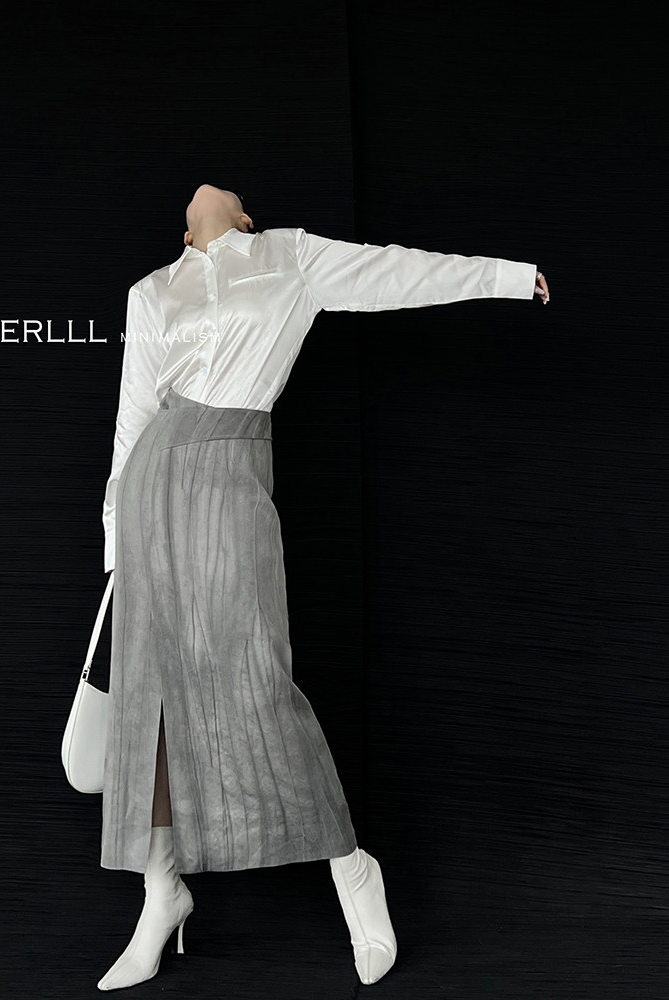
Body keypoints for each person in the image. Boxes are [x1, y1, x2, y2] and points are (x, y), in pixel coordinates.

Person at [95, 184, 550, 992]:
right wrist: (112, 539)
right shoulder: (152, 290)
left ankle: (351, 867)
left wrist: (507, 276)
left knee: (256, 679)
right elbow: (133, 417)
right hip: (147, 492)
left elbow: (396, 273)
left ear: (243, 217)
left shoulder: (288, 255)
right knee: (149, 697)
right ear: (185, 227)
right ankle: (161, 891)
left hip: (229, 472)